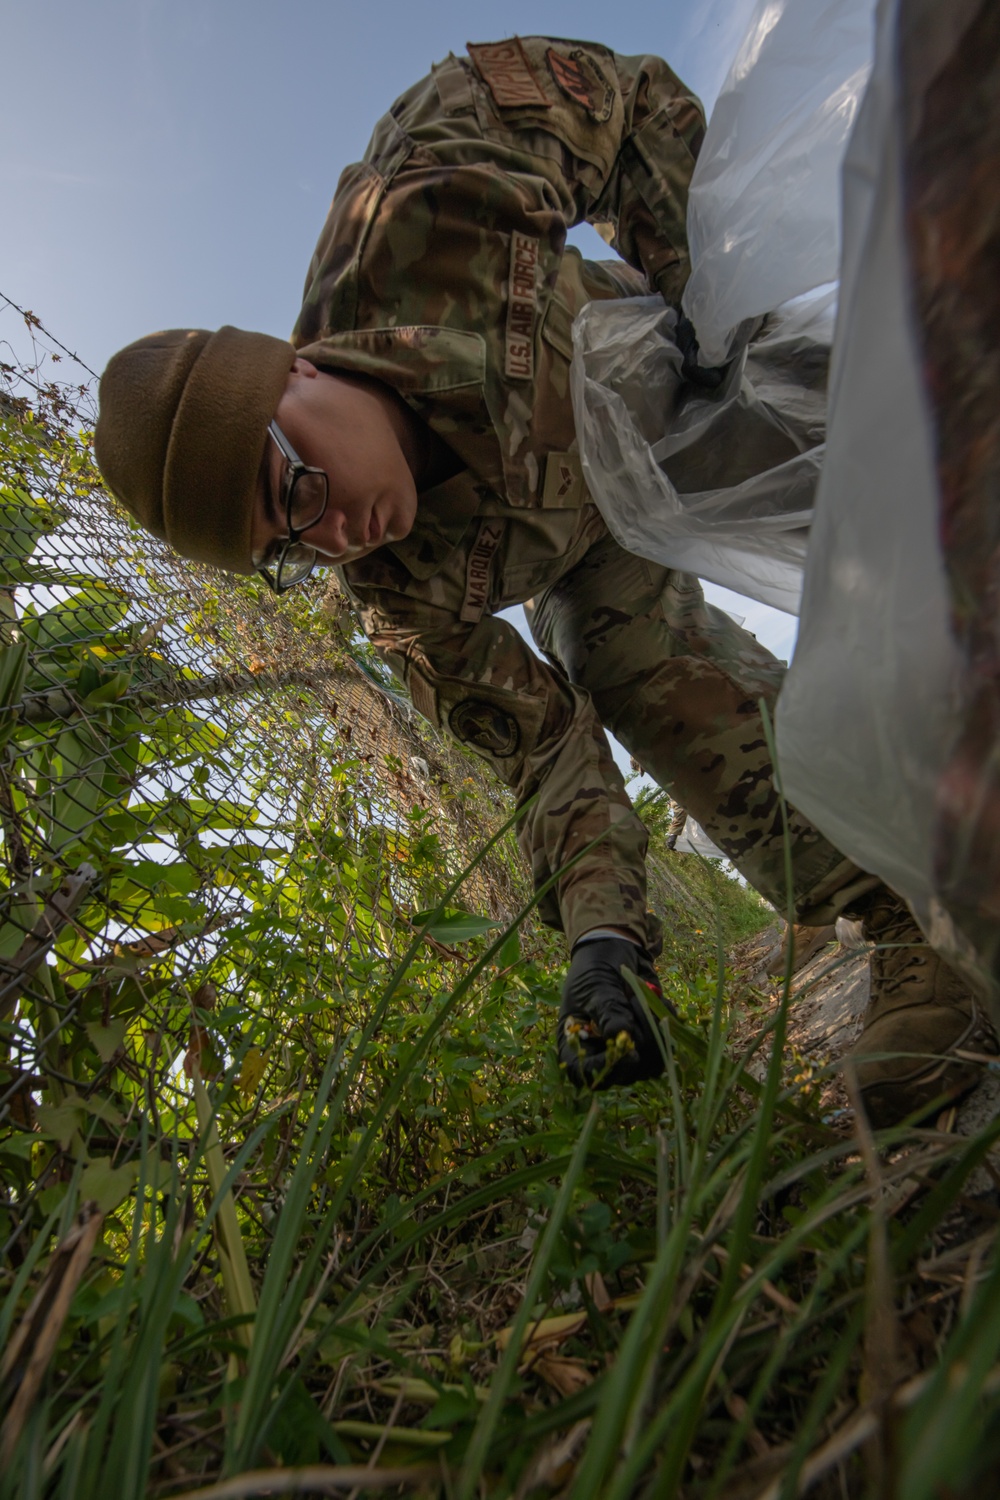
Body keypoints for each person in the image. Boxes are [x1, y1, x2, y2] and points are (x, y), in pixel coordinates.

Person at [93, 35, 996, 1125]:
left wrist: (709, 312)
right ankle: (922, 922)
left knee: (923, 444)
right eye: (289, 551)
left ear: (296, 368)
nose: (329, 533)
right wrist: (603, 942)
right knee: (628, 673)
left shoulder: (419, 208)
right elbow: (544, 754)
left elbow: (631, 106)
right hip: (594, 551)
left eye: (293, 486)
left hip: (673, 376)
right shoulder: (401, 597)